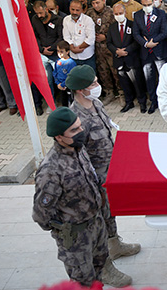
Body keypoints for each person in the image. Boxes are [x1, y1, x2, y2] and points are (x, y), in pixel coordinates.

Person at [32, 107, 132, 288]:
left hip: (96, 225)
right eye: (74, 130)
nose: (81, 132)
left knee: (99, 273)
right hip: (76, 236)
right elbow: (41, 215)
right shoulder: (50, 170)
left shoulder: (79, 149)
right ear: (59, 137)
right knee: (83, 282)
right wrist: (64, 228)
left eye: (80, 127)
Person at [65, 66, 141, 261]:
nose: (98, 86)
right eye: (94, 84)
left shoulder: (96, 103)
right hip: (95, 175)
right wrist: (92, 182)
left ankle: (114, 243)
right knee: (99, 215)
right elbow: (79, 155)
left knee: (110, 209)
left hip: (110, 169)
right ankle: (103, 258)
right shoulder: (76, 118)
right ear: (81, 90)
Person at [106, 3, 148, 113]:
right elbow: (109, 43)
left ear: (125, 12)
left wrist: (126, 51)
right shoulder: (112, 27)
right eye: (116, 14)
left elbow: (136, 41)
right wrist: (116, 51)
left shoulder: (133, 25)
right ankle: (129, 102)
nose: (118, 15)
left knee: (137, 83)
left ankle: (142, 103)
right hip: (119, 60)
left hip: (132, 59)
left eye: (120, 13)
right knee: (124, 84)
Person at [133, 0, 167, 114]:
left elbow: (164, 32)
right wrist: (145, 44)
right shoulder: (137, 15)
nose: (147, 7)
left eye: (149, 4)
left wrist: (154, 41)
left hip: (159, 52)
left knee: (164, 79)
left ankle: (165, 102)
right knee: (149, 79)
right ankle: (153, 102)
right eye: (144, 4)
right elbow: (136, 33)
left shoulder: (161, 14)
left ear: (153, 2)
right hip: (145, 52)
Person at [86, 0, 119, 104]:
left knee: (115, 71)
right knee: (103, 72)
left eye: (98, 2)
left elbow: (117, 29)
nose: (96, 5)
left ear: (103, 1)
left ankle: (121, 92)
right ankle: (109, 92)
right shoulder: (89, 13)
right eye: (93, 3)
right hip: (97, 49)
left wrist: (106, 37)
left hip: (110, 47)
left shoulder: (111, 12)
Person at [63, 0, 96, 71]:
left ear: (82, 10)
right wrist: (72, 48)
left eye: (77, 10)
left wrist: (79, 48)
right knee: (75, 79)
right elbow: (66, 36)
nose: (74, 12)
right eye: (72, 9)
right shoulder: (66, 19)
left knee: (90, 79)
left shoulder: (88, 20)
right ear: (69, 8)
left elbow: (91, 38)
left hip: (87, 56)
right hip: (73, 56)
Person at [53, 41, 76, 107]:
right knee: (64, 101)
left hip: (69, 86)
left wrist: (63, 84)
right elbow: (55, 73)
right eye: (58, 51)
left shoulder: (71, 63)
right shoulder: (58, 61)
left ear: (67, 52)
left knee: (72, 102)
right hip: (60, 86)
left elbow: (70, 76)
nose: (59, 54)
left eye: (61, 52)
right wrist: (58, 83)